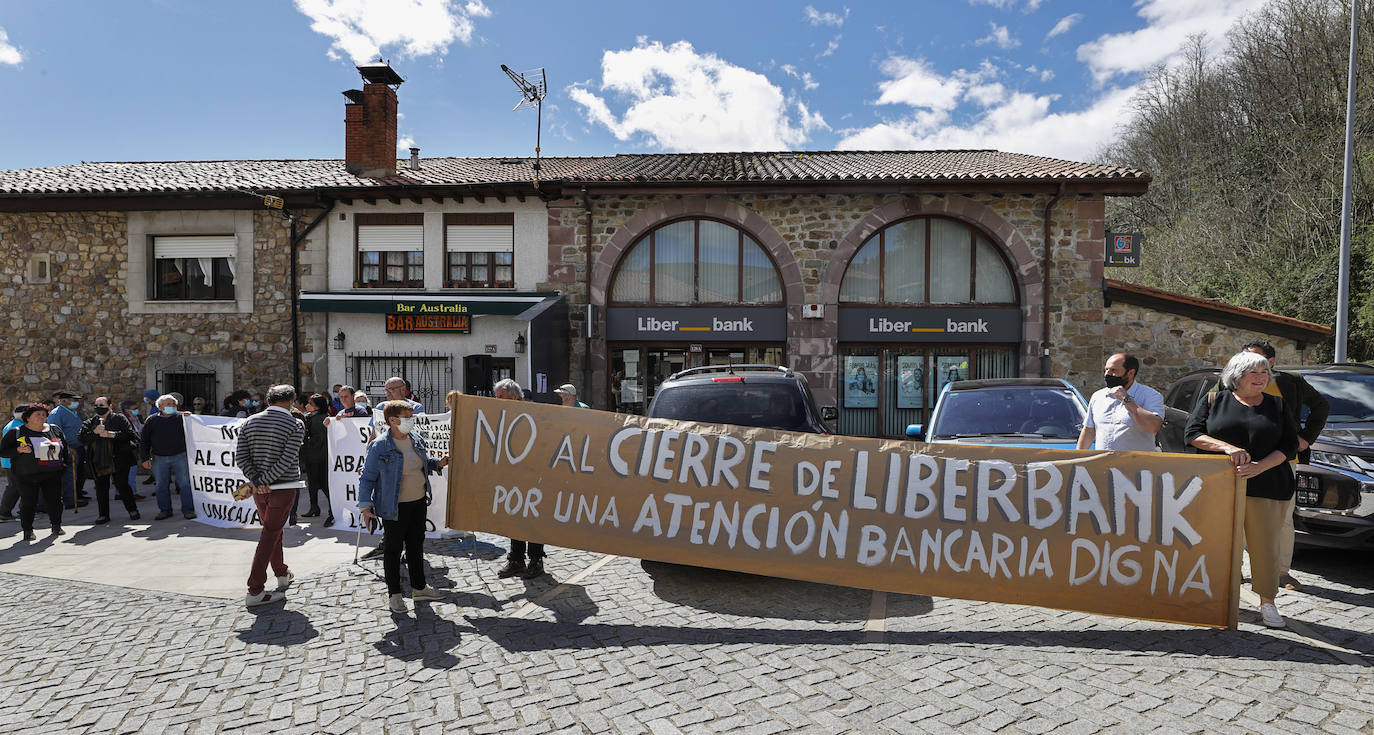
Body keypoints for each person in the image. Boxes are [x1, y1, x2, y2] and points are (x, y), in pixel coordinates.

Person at [1186, 351, 1298, 629]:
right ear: (1237, 376)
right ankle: (1217, 600)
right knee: (1219, 545)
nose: (1261, 378)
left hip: (1268, 485)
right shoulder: (1214, 400)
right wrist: (1227, 447)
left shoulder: (1278, 405)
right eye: (1254, 373)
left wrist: (1260, 467)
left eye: (1264, 373)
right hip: (1219, 487)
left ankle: (1268, 603)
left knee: (1265, 548)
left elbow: (1289, 445)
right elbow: (1192, 434)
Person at [1208, 340, 1329, 591]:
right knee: (1236, 515)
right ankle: (1236, 569)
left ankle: (1281, 573)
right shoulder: (1227, 382)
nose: (1245, 365)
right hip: (1237, 463)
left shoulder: (1290, 382)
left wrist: (1306, 439)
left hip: (1281, 461)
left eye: (1254, 361)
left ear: (1270, 363)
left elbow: (1321, 406)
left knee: (1282, 519)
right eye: (1242, 359)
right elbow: (1209, 413)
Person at [358, 400, 451, 613]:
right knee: (392, 550)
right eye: (407, 418)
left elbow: (422, 463)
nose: (412, 421)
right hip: (394, 507)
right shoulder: (380, 445)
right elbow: (367, 477)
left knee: (416, 546)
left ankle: (419, 588)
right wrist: (365, 508)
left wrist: (437, 463)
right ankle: (395, 595)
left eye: (412, 417)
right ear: (392, 420)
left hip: (418, 502)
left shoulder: (416, 439)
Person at [235, 385, 305, 607]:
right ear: (292, 400)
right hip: (282, 487)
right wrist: (263, 481)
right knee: (269, 534)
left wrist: (257, 481)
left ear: (267, 400)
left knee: (273, 532)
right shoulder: (295, 423)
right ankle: (255, 589)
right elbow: (287, 459)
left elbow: (241, 458)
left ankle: (281, 573)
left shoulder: (249, 421)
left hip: (260, 488)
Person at [493, 378, 548, 579]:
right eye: (496, 397)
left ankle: (536, 560)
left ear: (515, 396)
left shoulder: (535, 414)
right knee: (514, 516)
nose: (497, 400)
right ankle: (516, 559)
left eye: (501, 397)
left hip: (533, 476)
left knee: (532, 518)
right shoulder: (501, 416)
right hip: (511, 475)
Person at [0, 403, 71, 541]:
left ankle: (56, 525)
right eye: (37, 414)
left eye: (44, 414)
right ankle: (28, 530)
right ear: (28, 417)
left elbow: (64, 447)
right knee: (28, 503)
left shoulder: (54, 430)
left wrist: (64, 462)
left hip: (52, 473)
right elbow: (3, 451)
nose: (41, 417)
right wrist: (18, 450)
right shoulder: (16, 432)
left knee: (55, 501)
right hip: (27, 474)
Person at [1076, 353, 1166, 452]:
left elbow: (1153, 427)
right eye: (1106, 369)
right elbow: (1089, 431)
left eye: (1113, 370)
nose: (1107, 374)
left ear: (1130, 373)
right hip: (1103, 464)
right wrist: (1077, 459)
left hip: (1137, 465)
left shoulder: (1150, 396)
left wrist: (1126, 399)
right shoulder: (1098, 397)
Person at [78, 396, 141, 524]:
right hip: (98, 460)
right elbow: (82, 438)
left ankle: (132, 510)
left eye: (102, 405)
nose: (99, 408)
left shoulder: (119, 418)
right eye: (96, 406)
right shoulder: (91, 422)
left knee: (122, 484)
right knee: (101, 487)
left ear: (110, 406)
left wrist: (111, 434)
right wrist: (94, 432)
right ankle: (103, 515)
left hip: (119, 458)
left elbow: (130, 435)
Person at [139, 394, 195, 520]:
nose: (171, 406)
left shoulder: (182, 418)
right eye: (168, 404)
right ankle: (165, 510)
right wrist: (144, 458)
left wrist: (190, 417)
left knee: (185, 484)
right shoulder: (151, 420)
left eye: (174, 404)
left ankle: (188, 510)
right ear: (160, 406)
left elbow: (196, 427)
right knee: (161, 485)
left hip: (180, 456)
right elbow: (144, 441)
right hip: (159, 458)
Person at [49, 390, 87, 509]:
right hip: (68, 449)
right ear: (64, 402)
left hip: (79, 446)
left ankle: (77, 495)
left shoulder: (73, 411)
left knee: (79, 473)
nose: (76, 403)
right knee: (69, 475)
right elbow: (54, 433)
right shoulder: (57, 414)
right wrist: (67, 448)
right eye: (74, 401)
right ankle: (70, 500)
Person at [299, 393, 332, 525]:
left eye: (310, 404)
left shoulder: (311, 419)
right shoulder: (327, 417)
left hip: (314, 455)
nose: (307, 406)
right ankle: (325, 506)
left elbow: (312, 438)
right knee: (321, 483)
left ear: (317, 406)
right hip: (324, 455)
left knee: (317, 483)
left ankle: (316, 507)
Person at [0, 404, 29, 522]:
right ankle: (4, 512)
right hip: (12, 461)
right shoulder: (18, 426)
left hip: (11, 461)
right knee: (14, 487)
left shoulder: (13, 424)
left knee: (17, 487)